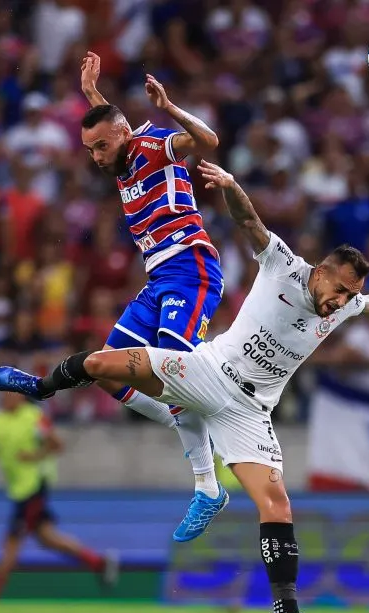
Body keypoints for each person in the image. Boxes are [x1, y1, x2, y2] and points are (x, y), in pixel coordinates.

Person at [0, 161, 369, 613]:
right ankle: (40, 387)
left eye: (350, 294)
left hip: (249, 411)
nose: (342, 300)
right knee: (99, 362)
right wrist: (232, 186)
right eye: (340, 289)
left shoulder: (349, 304)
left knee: (277, 504)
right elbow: (250, 224)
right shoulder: (284, 265)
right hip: (207, 371)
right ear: (321, 272)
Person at [78, 52, 226, 542]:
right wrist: (92, 95)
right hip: (158, 279)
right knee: (106, 368)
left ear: (123, 136)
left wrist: (171, 107)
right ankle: (190, 415)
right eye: (90, 150)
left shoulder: (157, 144)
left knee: (169, 370)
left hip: (191, 267)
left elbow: (209, 142)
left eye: (100, 147)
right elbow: (110, 126)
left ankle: (208, 486)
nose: (96, 157)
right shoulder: (118, 158)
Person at [0, 390, 119, 600]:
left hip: (34, 487)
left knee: (12, 542)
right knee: (47, 539)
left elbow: (56, 445)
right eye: (4, 394)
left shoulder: (33, 416)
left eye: (12, 394)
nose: (7, 398)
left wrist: (34, 455)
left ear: (21, 396)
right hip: (17, 490)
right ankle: (99, 563)